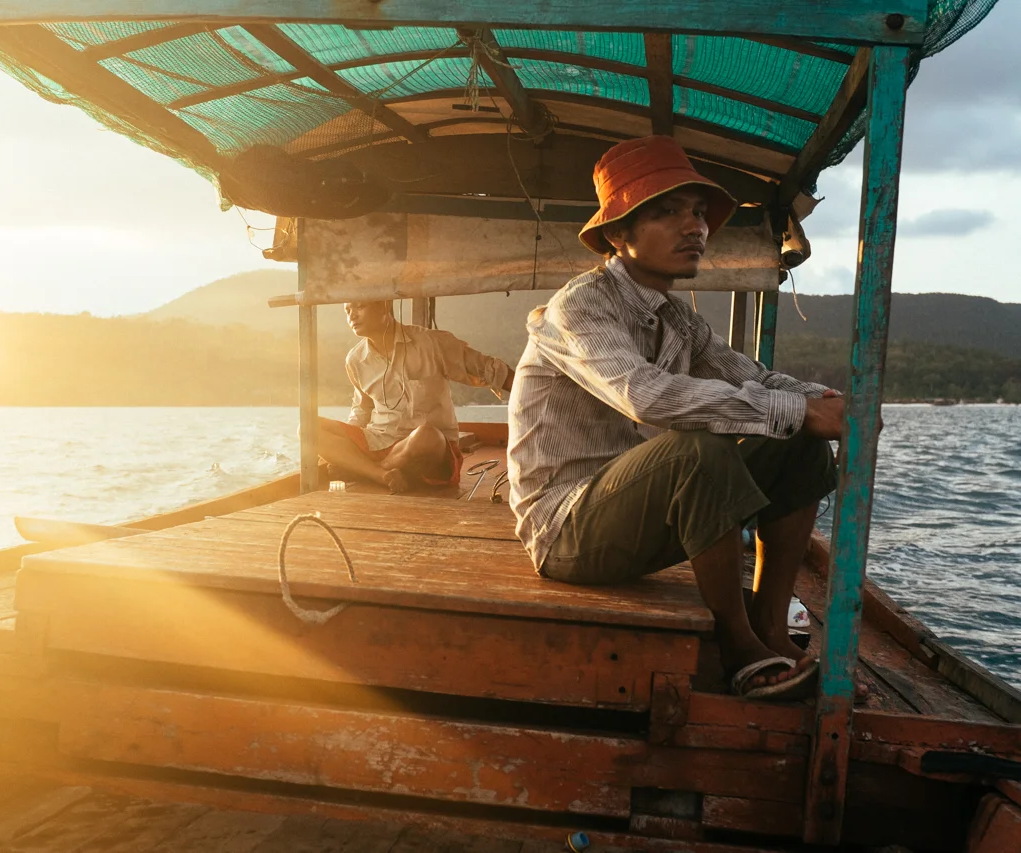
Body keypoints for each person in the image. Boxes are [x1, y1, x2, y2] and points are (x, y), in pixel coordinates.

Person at [507, 136, 844, 701]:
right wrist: (798, 409)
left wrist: (828, 402)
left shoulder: (678, 322)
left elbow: (755, 379)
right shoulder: (579, 307)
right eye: (667, 212)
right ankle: (735, 645)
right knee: (700, 448)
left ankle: (765, 624)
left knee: (799, 442)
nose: (694, 227)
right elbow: (645, 396)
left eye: (697, 212)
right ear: (619, 235)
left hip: (633, 513)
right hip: (566, 530)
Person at [317, 300, 514, 493]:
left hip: (428, 450)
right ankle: (380, 474)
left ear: (385, 305)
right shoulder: (355, 359)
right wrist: (341, 446)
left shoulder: (431, 343)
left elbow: (487, 369)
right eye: (347, 310)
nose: (352, 315)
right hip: (378, 440)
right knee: (308, 427)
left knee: (426, 435)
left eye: (359, 307)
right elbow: (362, 410)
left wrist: (535, 394)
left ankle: (370, 470)